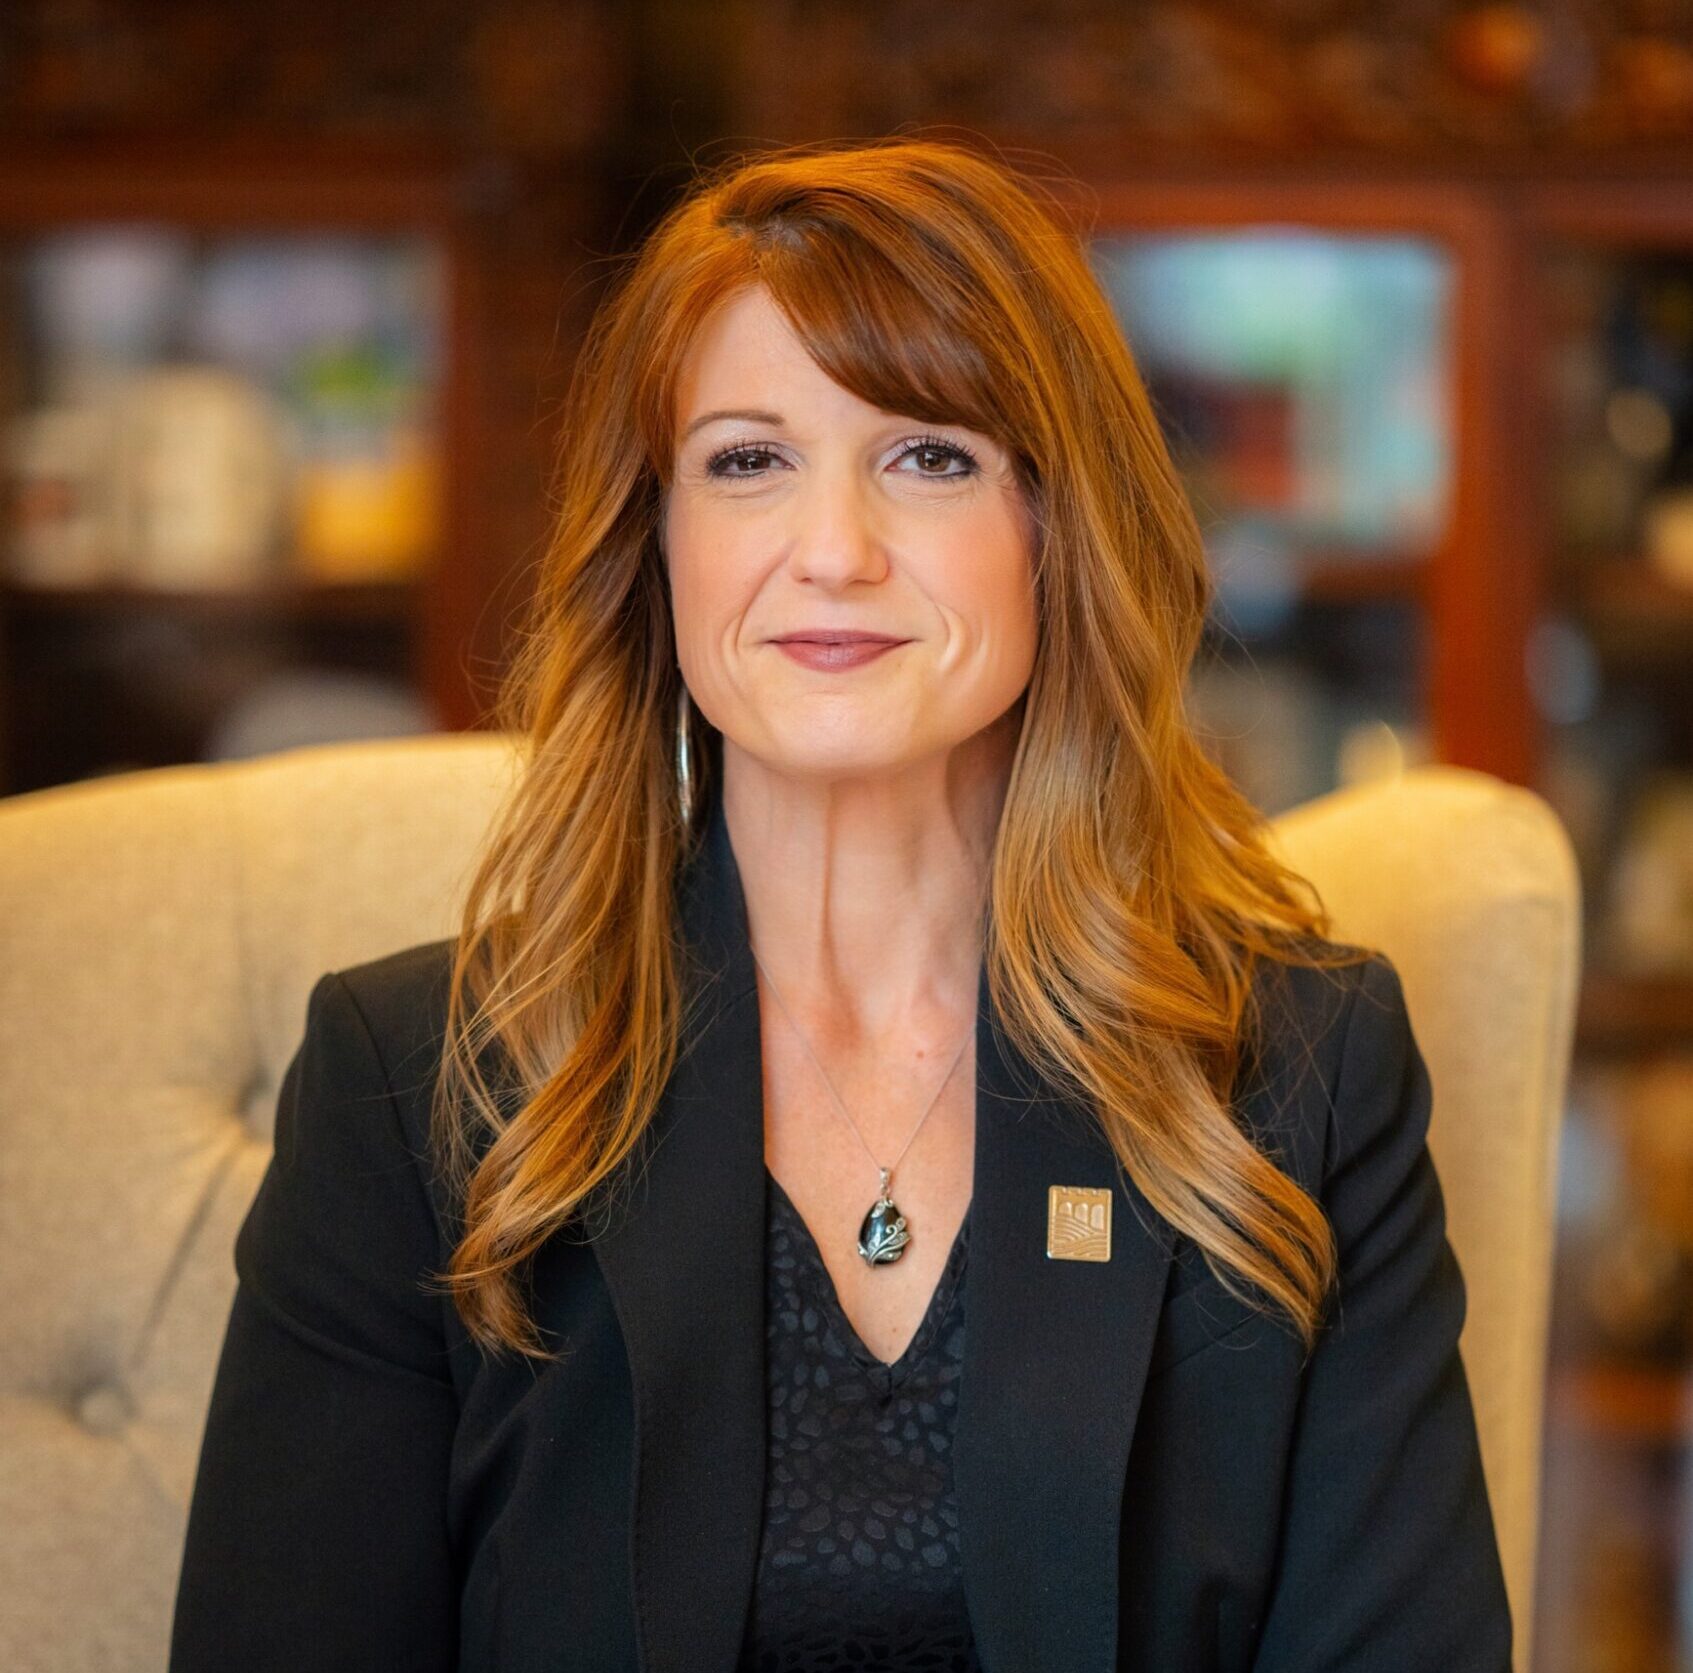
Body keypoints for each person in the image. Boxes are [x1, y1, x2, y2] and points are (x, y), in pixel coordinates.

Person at [168, 134, 1512, 1672]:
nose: (831, 550)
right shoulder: (418, 1084)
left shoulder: (1297, 1069)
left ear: (1051, 535)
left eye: (927, 456)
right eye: (747, 461)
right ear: (654, 546)